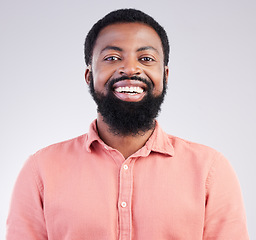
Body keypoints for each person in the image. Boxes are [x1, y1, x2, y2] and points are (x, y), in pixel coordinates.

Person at [6, 8, 249, 239]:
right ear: (89, 76)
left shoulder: (210, 171)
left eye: (146, 58)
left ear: (164, 76)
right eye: (112, 57)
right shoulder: (41, 170)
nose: (130, 69)